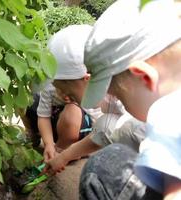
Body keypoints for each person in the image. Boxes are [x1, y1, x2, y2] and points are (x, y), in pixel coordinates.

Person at [75, 0, 181, 199]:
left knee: (102, 167)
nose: (120, 104)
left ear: (145, 77)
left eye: (120, 97)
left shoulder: (166, 114)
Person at [26, 24, 100, 163]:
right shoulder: (51, 85)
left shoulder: (98, 97)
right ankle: (42, 140)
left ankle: (62, 148)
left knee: (72, 109)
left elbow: (102, 130)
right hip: (56, 123)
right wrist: (48, 144)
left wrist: (77, 150)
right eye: (57, 88)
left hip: (80, 131)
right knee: (29, 101)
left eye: (68, 92)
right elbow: (43, 115)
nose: (62, 94)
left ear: (87, 79)